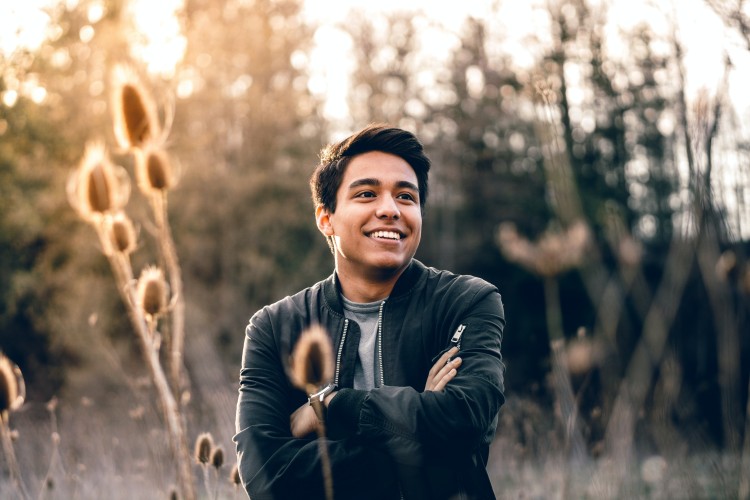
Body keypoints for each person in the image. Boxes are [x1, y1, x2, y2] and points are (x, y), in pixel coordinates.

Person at [234, 124, 506, 499]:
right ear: (325, 218)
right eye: (366, 193)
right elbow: (267, 476)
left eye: (406, 197)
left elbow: (465, 421)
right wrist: (418, 434)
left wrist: (329, 407)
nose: (390, 210)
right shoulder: (275, 327)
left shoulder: (465, 301)